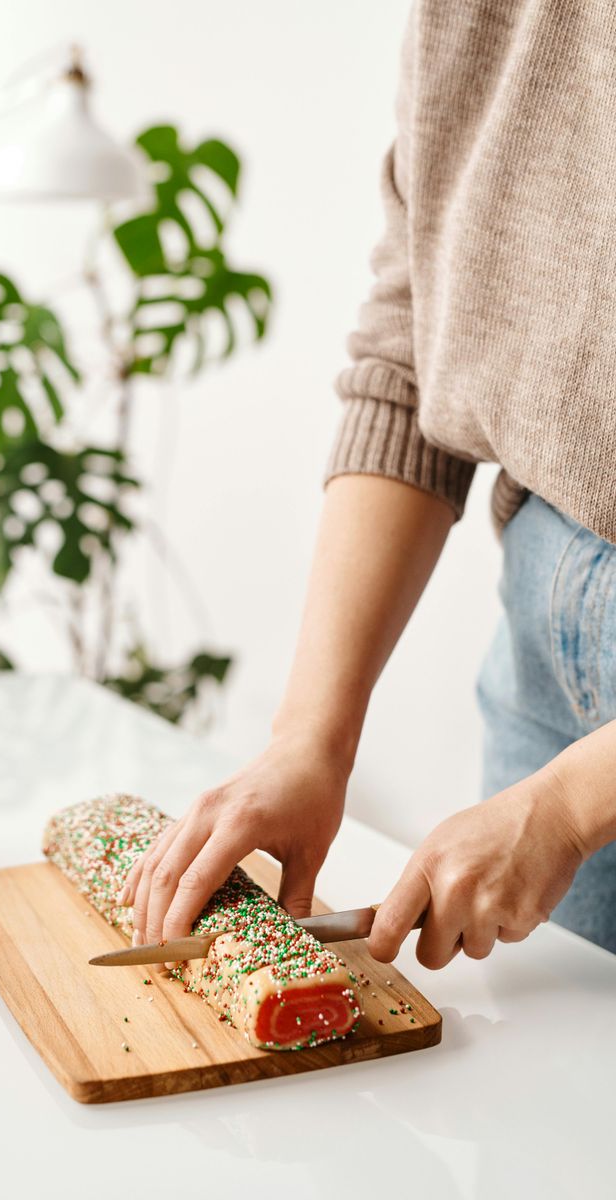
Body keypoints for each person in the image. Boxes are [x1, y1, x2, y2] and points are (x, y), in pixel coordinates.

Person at [120, 0, 616, 964]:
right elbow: (412, 343)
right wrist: (311, 737)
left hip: (566, 778)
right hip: (543, 650)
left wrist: (564, 808)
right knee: (565, 1104)